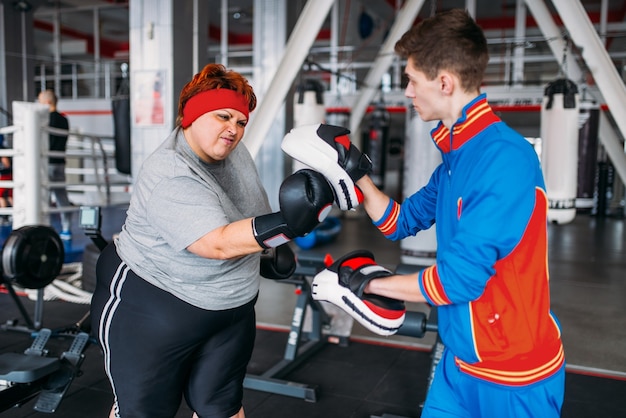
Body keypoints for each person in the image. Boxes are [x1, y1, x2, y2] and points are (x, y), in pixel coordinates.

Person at [283, 9, 565, 418]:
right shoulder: (455, 158)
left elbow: (459, 281)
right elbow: (401, 222)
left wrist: (368, 286)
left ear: (444, 82)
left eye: (412, 80)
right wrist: (356, 173)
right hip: (460, 361)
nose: (408, 92)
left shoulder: (504, 159)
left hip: (514, 372)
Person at [90, 63, 334, 418]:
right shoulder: (170, 171)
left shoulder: (236, 155)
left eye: (240, 122)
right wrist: (289, 225)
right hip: (151, 309)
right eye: (223, 117)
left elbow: (251, 213)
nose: (233, 130)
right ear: (192, 116)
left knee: (222, 409)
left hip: (230, 313)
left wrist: (274, 249)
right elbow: (215, 244)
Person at [37, 89, 72, 240]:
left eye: (40, 101)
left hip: (47, 163)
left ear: (47, 102)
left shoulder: (47, 119)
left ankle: (45, 228)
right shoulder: (64, 119)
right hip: (60, 162)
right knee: (61, 196)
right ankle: (66, 229)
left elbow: (45, 142)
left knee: (43, 196)